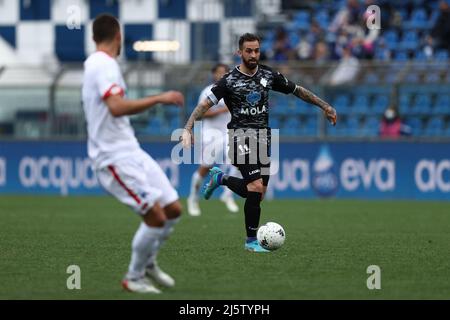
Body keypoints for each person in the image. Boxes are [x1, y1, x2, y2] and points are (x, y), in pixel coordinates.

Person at [181, 33, 337, 252]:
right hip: (239, 137)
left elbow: (297, 90)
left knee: (258, 193)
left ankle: (221, 178)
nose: (253, 55)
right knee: (254, 187)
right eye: (249, 51)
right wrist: (188, 128)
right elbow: (204, 105)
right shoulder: (228, 80)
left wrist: (325, 106)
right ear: (240, 52)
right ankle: (251, 241)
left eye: (256, 50)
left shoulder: (267, 75)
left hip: (262, 139)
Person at [82, 14, 184, 294]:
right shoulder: (102, 64)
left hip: (130, 149)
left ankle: (148, 262)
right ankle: (134, 277)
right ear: (119, 37)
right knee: (155, 217)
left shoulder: (104, 64)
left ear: (94, 38)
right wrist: (159, 98)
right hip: (113, 158)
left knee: (173, 209)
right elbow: (116, 107)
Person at [187, 63, 239, 216]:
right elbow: (201, 113)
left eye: (225, 72)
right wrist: (224, 109)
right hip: (210, 135)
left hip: (228, 133)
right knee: (204, 169)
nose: (222, 75)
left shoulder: (232, 90)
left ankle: (227, 195)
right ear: (213, 74)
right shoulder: (207, 92)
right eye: (219, 72)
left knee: (238, 162)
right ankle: (193, 198)